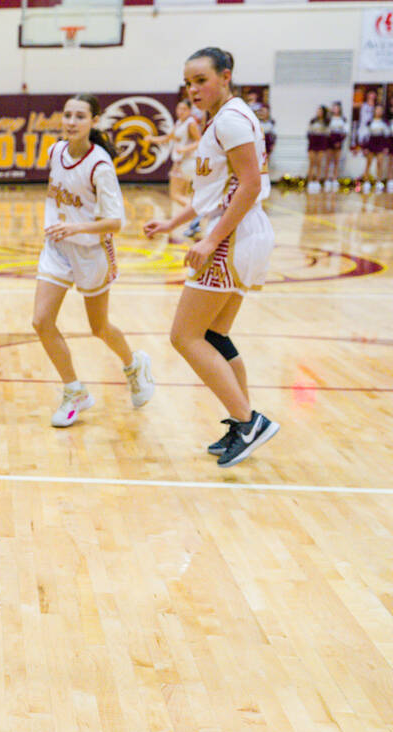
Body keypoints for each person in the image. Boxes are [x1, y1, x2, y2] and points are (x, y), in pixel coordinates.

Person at [144, 47, 279, 467]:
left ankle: (249, 420)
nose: (193, 88)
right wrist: (173, 224)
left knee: (184, 336)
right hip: (240, 234)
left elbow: (250, 185)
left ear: (225, 76)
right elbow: (216, 190)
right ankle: (242, 424)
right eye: (188, 82)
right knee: (214, 336)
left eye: (201, 79)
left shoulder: (233, 120)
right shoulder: (223, 119)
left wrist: (209, 240)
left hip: (233, 238)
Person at [33, 94, 156, 427]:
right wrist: (63, 227)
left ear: (94, 121)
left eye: (80, 116)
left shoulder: (100, 165)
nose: (71, 122)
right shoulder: (55, 151)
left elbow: (116, 223)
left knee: (98, 327)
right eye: (67, 115)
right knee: (41, 321)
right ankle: (75, 391)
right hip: (58, 247)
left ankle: (134, 365)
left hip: (92, 250)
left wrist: (76, 225)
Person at [145, 99, 200, 243]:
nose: (180, 112)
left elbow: (199, 141)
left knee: (175, 194)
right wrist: (152, 139)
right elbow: (168, 138)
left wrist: (184, 149)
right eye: (179, 109)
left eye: (183, 109)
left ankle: (195, 212)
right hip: (181, 162)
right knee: (182, 194)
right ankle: (194, 218)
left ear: (189, 110)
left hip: (187, 162)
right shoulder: (179, 123)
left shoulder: (191, 123)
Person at [364, 104, 389, 193]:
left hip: (380, 143)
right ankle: (366, 182)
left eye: (380, 110)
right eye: (377, 110)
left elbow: (386, 135)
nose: (378, 111)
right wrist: (366, 147)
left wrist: (386, 146)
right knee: (368, 163)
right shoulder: (370, 122)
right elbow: (366, 135)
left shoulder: (384, 122)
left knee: (379, 163)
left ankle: (378, 181)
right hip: (371, 142)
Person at [305, 106, 329, 194]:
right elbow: (308, 131)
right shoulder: (312, 121)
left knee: (319, 162)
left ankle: (317, 181)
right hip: (313, 142)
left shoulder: (326, 122)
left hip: (321, 142)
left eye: (320, 111)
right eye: (317, 111)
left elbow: (327, 133)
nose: (318, 113)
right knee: (312, 162)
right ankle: (310, 181)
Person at [325, 101, 347, 193]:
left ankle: (334, 178)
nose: (335, 109)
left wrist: (339, 142)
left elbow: (345, 132)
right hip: (330, 140)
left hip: (338, 141)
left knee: (336, 161)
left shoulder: (343, 119)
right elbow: (327, 131)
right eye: (334, 108)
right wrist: (331, 141)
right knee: (328, 160)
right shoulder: (329, 119)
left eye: (337, 108)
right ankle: (327, 178)